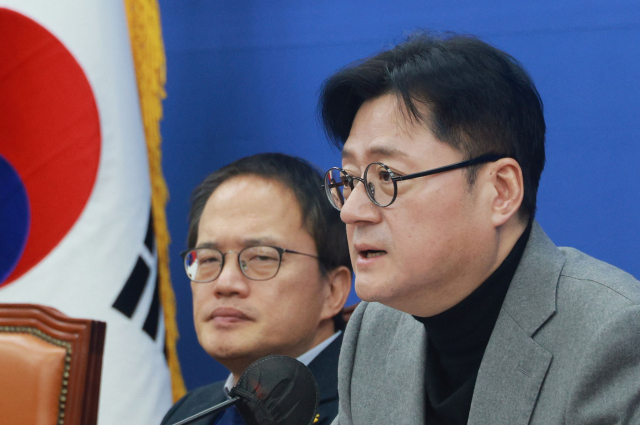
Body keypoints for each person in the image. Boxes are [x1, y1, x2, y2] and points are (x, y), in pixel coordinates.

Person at [319, 33, 640, 424]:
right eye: (349, 179)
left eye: (386, 176)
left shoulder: (614, 336)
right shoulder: (373, 328)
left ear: (501, 191)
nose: (352, 211)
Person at [161, 153, 352, 425]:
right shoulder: (188, 414)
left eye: (261, 257)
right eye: (209, 259)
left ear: (333, 290)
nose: (225, 284)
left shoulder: (370, 404)